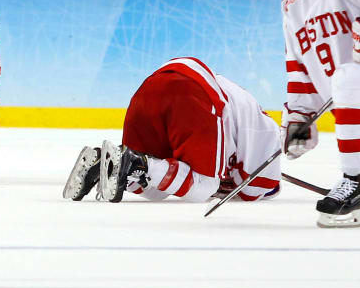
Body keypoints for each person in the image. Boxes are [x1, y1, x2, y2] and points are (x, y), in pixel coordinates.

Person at [64, 56, 280, 204]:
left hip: (152, 87)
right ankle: (137, 164)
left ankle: (107, 162)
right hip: (193, 92)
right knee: (203, 187)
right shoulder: (267, 132)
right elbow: (255, 190)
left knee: (155, 191)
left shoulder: (249, 116)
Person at [274, 0, 360, 226]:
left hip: (359, 84)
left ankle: (359, 180)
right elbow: (299, 65)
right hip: (357, 109)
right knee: (347, 79)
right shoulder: (293, 0)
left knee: (349, 76)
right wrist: (299, 117)